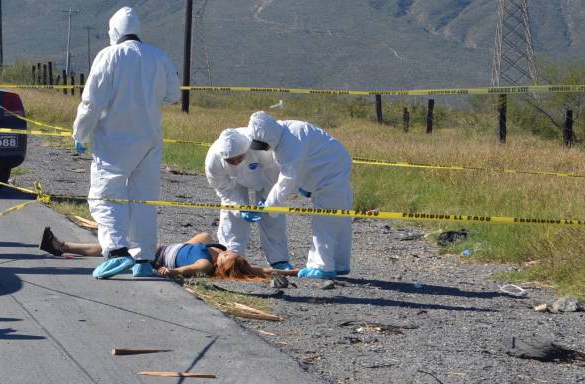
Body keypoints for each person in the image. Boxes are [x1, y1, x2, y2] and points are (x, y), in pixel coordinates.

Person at [72, 6, 180, 279]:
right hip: (150, 140)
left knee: (104, 197)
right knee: (143, 200)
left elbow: (91, 102)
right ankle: (143, 259)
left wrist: (80, 134)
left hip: (114, 142)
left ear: (114, 31)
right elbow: (173, 94)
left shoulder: (108, 56)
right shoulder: (158, 56)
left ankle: (117, 251)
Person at [246, 111, 353, 280]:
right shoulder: (283, 133)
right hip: (333, 165)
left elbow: (286, 180)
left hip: (331, 172)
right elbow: (302, 164)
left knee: (325, 219)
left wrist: (267, 206)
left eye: (264, 145)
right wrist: (304, 186)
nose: (264, 149)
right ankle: (339, 264)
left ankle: (323, 266)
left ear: (269, 137)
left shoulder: (290, 140)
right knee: (338, 216)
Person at [38, 227, 297, 280]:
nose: (232, 253)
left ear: (225, 266)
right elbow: (259, 269)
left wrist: (172, 271)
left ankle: (62, 246)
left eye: (232, 258)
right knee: (205, 236)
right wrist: (291, 270)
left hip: (157, 256)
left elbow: (187, 270)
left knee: (115, 248)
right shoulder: (214, 250)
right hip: (168, 246)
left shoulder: (206, 263)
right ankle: (61, 247)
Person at [205, 127, 292, 270]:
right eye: (230, 160)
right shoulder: (212, 161)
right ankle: (232, 256)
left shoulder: (262, 148)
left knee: (273, 215)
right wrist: (240, 208)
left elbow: (274, 177)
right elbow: (224, 190)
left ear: (246, 149)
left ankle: (279, 259)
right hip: (234, 181)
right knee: (231, 215)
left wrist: (267, 201)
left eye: (239, 157)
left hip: (264, 176)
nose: (236, 162)